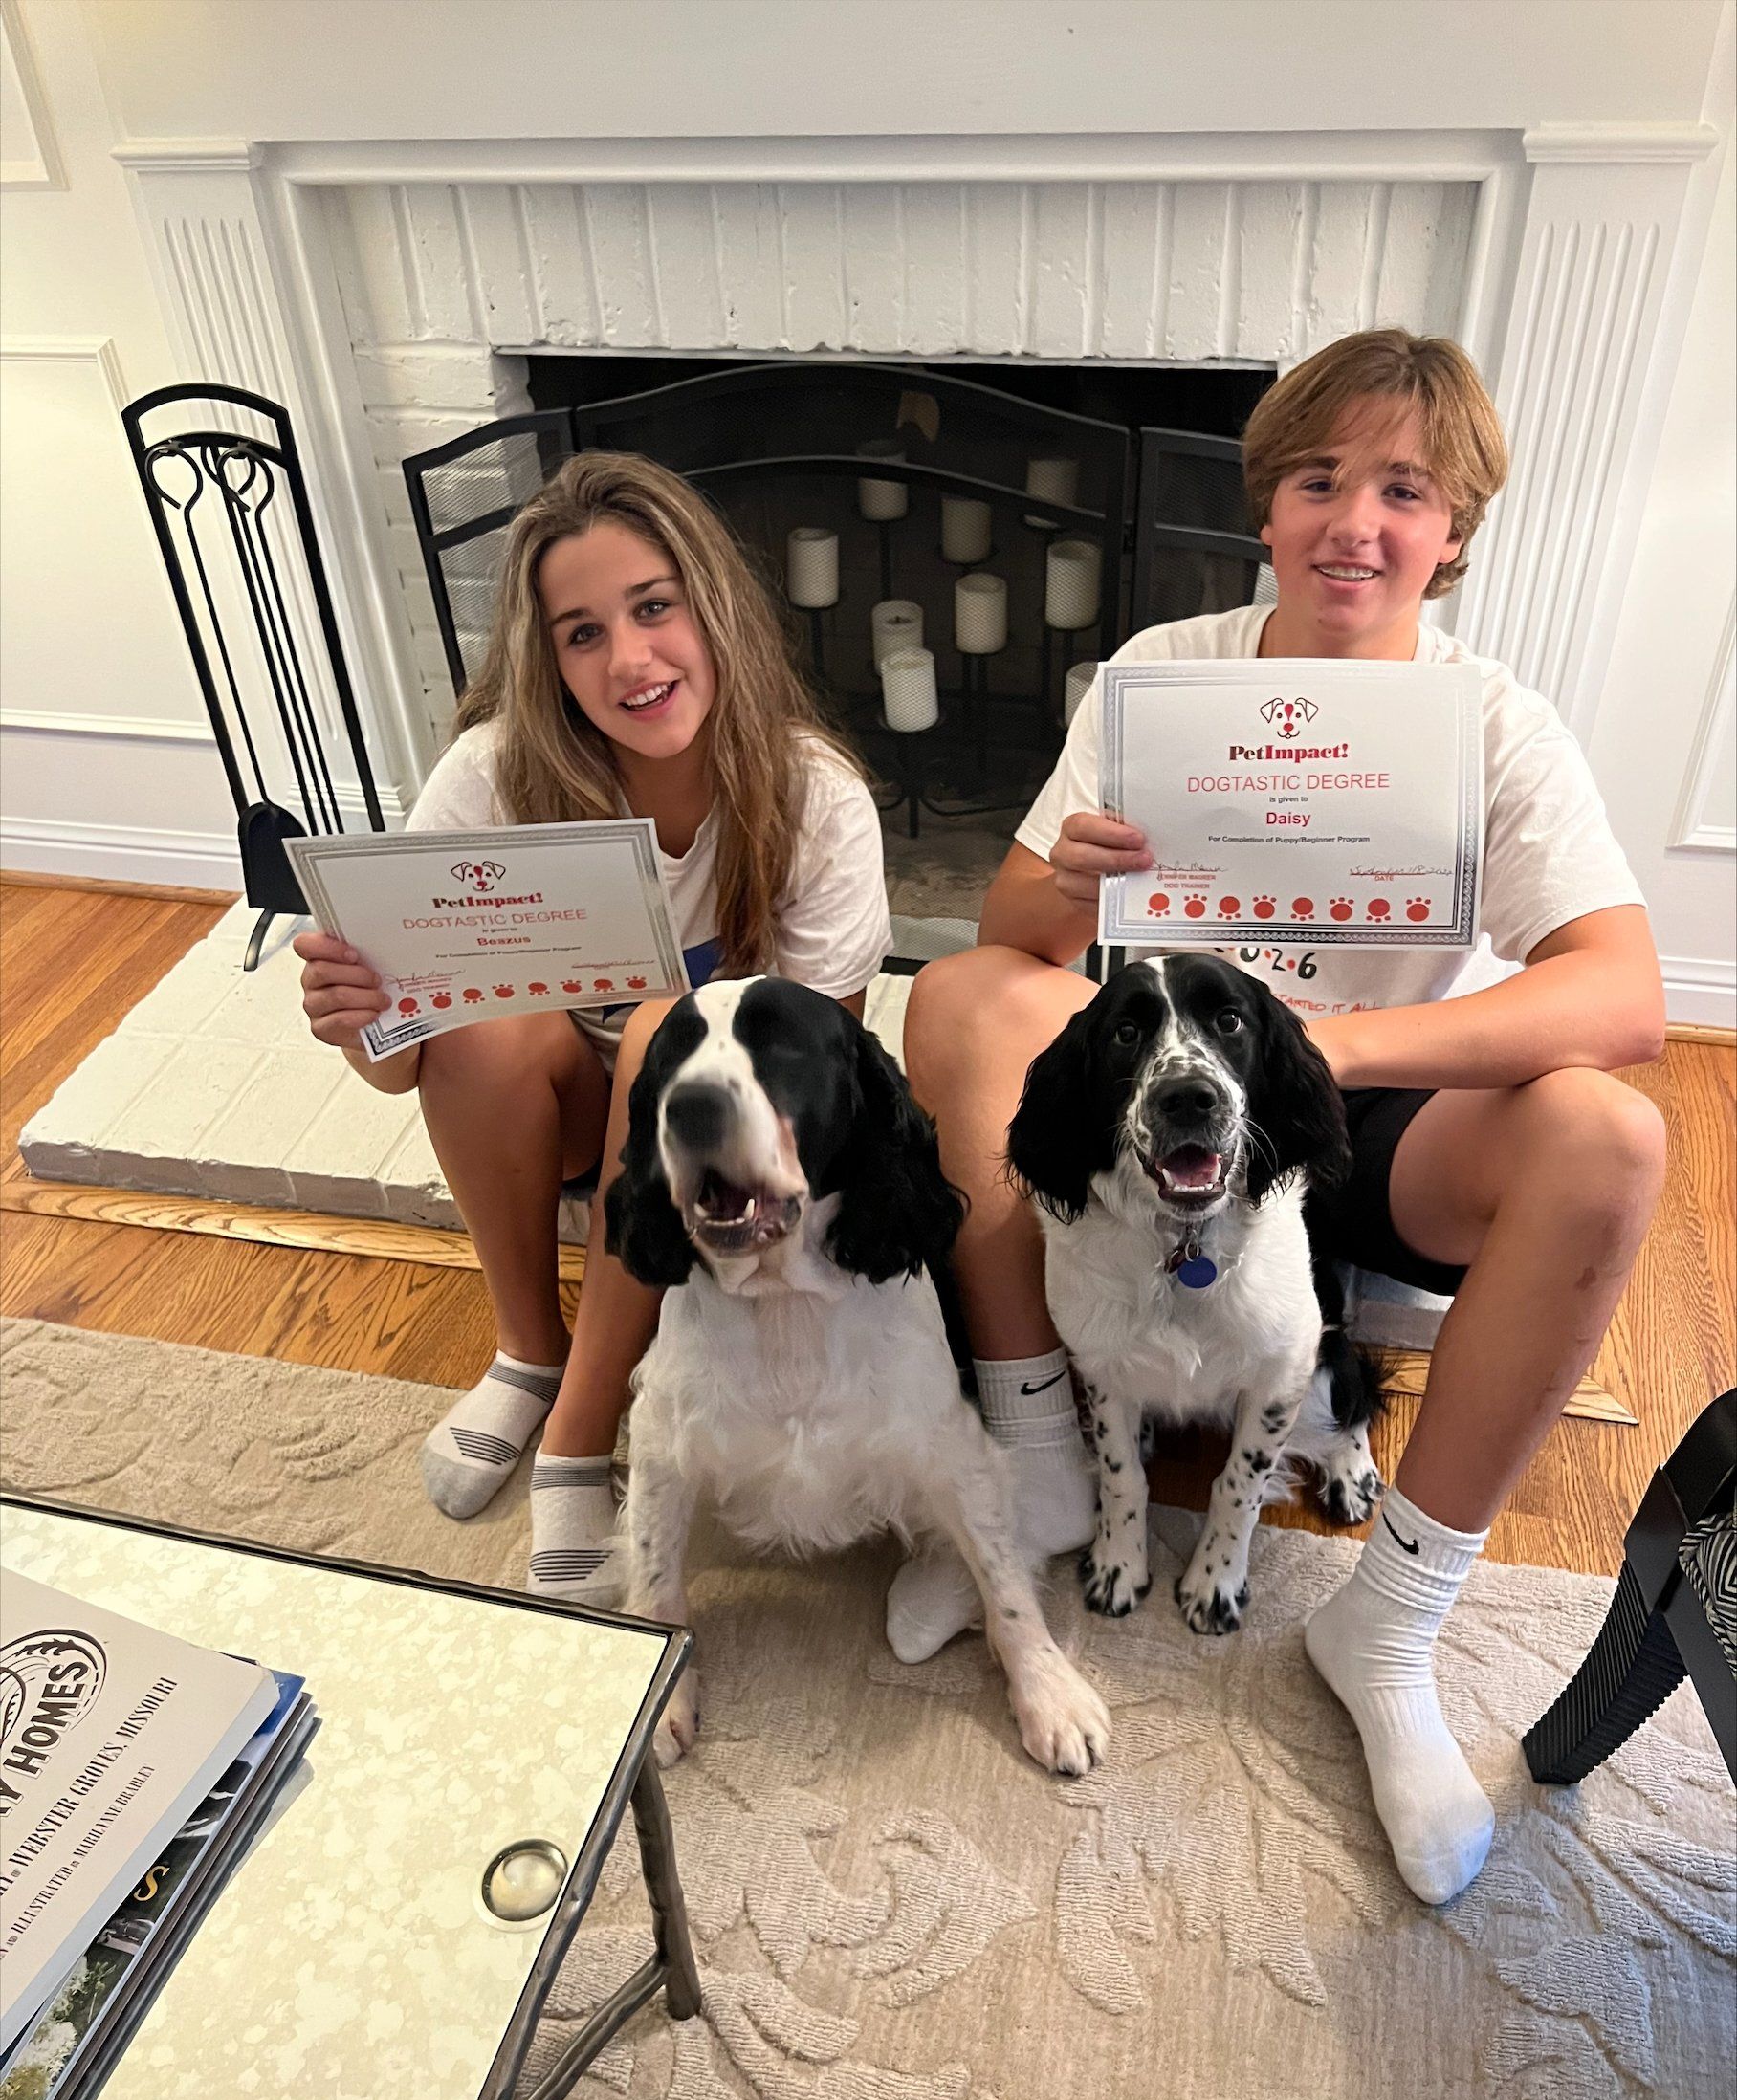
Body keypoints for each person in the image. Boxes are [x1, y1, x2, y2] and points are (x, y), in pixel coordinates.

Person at [899, 329, 1666, 1905]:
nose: (1355, 522)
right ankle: (1041, 1464)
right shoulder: (1163, 678)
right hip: (1165, 1092)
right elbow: (1012, 936)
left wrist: (1345, 1048)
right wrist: (1072, 876)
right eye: (1319, 478)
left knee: (1610, 1133)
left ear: (1454, 531)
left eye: (1404, 490)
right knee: (962, 997)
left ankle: (1389, 1626)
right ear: (1265, 506)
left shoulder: (1494, 722)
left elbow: (1627, 995)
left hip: (1363, 1117)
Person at [295, 451, 891, 1599]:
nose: (628, 659)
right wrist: (360, 1022)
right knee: (487, 1027)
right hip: (564, 1119)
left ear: (715, 607)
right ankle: (530, 1345)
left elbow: (819, 1081)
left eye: (654, 607)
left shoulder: (816, 796)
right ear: (548, 660)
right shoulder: (490, 775)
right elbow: (407, 1071)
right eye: (582, 632)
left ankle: (582, 1418)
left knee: (673, 1025)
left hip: (732, 1146)